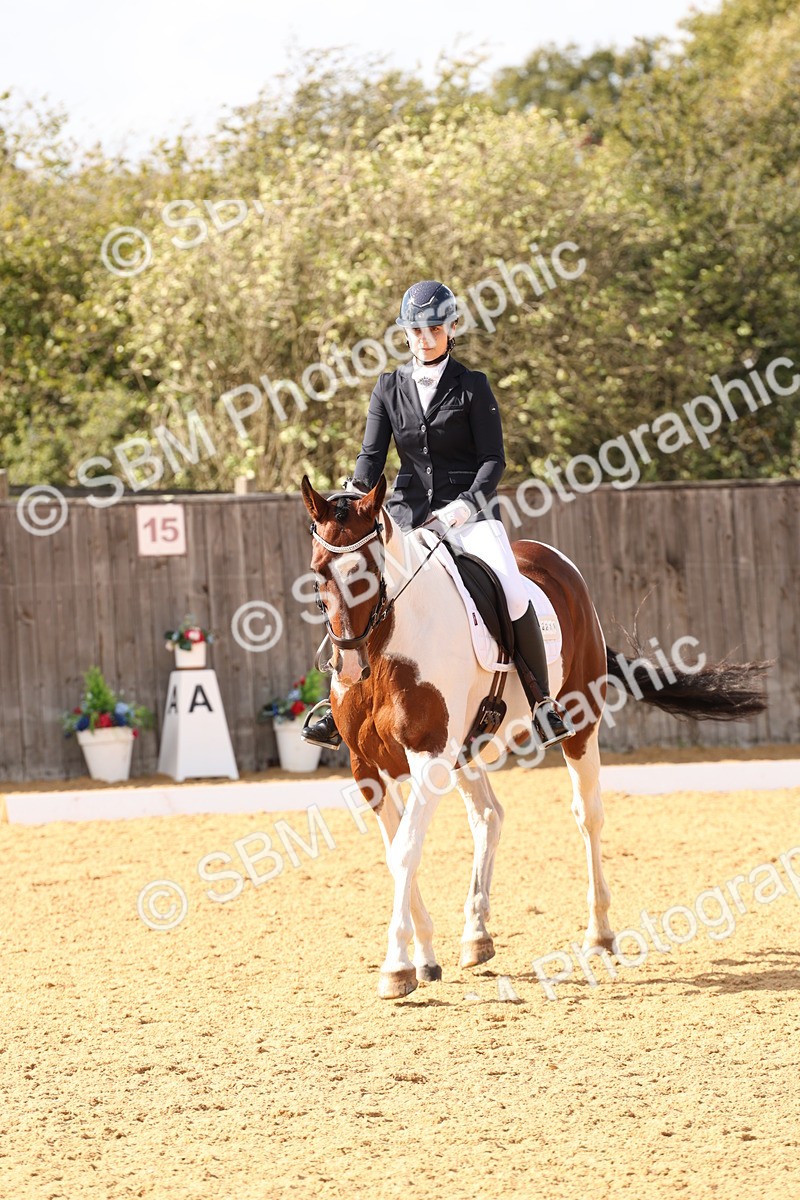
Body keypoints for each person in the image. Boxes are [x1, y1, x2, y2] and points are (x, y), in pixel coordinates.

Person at [302, 279, 575, 751]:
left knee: (512, 591)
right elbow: (371, 457)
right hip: (406, 514)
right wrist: (355, 495)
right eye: (416, 330)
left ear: (451, 328)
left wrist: (464, 505)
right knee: (353, 584)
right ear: (405, 333)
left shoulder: (473, 386)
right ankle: (340, 699)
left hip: (469, 515)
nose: (425, 338)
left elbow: (493, 461)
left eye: (434, 328)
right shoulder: (388, 387)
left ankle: (542, 702)